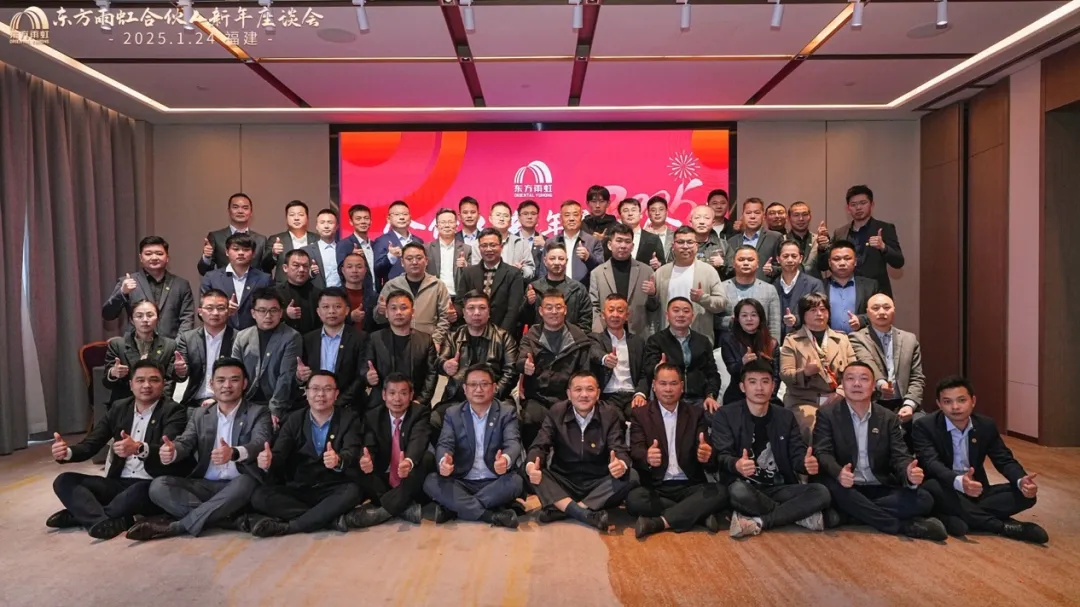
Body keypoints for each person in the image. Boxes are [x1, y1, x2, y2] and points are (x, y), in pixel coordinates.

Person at [127, 357, 273, 541]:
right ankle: (229, 520)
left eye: (234, 380)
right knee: (158, 486)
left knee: (246, 482)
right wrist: (173, 451)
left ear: (244, 384)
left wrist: (234, 453)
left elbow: (260, 442)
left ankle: (177, 526)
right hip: (205, 484)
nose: (227, 385)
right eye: (221, 380)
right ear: (211, 384)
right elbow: (185, 442)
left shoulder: (258, 412)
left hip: (239, 483)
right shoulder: (200, 414)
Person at [47, 361, 188, 539]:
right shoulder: (119, 408)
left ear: (163, 384)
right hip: (118, 482)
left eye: (154, 380)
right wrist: (67, 452)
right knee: (64, 481)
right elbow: (91, 444)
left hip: (151, 483)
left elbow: (166, 452)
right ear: (131, 384)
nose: (146, 385)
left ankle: (81, 515)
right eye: (140, 380)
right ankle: (105, 520)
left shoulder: (174, 411)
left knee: (136, 493)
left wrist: (138, 448)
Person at [812, 362, 946, 541]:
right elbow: (822, 452)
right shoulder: (827, 414)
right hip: (844, 486)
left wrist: (908, 471)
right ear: (842, 384)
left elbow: (900, 455)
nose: (857, 384)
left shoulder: (888, 418)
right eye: (850, 379)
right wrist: (838, 473)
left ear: (873, 385)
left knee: (924, 499)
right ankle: (901, 526)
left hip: (877, 486)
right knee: (828, 490)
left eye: (863, 379)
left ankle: (850, 515)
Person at [913, 376, 1046, 543]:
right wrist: (959, 482)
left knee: (1026, 495)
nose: (955, 407)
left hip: (975, 489)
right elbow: (931, 463)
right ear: (939, 404)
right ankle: (1001, 527)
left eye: (961, 400)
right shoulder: (924, 426)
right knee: (932, 486)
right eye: (947, 402)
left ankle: (951, 517)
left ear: (973, 401)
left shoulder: (985, 425)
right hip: (944, 487)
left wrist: (1021, 481)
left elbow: (1003, 459)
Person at [713, 361, 831, 538]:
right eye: (752, 382)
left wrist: (805, 464)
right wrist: (736, 464)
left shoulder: (785, 416)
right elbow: (721, 455)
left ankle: (759, 521)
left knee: (821, 492)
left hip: (779, 487)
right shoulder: (726, 415)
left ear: (773, 386)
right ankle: (796, 515)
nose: (759, 388)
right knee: (738, 491)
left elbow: (797, 454)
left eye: (765, 381)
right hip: (746, 487)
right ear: (742, 387)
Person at [247, 371, 364, 536]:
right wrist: (268, 461)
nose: (321, 394)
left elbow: (351, 451)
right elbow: (279, 455)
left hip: (333, 486)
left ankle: (292, 527)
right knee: (260, 496)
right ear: (306, 393)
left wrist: (338, 460)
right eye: (315, 389)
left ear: (336, 394)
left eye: (327, 389)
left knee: (353, 491)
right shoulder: (294, 419)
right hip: (301, 488)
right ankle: (328, 518)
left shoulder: (348, 418)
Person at [525, 372, 636, 531]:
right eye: (578, 390)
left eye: (590, 389)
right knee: (529, 469)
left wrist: (620, 464)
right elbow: (540, 444)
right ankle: (585, 514)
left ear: (598, 393)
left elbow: (619, 448)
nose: (584, 395)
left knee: (632, 475)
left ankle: (565, 509)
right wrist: (532, 466)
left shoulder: (609, 413)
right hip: (564, 480)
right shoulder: (557, 411)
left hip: (597, 482)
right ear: (569, 394)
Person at [627, 363, 725, 538]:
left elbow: (709, 455)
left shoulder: (695, 414)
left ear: (682, 387)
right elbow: (636, 451)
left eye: (673, 384)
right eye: (663, 384)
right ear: (654, 386)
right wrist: (647, 457)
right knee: (634, 500)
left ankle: (658, 523)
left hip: (690, 484)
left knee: (720, 492)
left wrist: (707, 455)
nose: (668, 389)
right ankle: (698, 513)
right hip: (657, 486)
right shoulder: (640, 414)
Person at [424, 364, 523, 528]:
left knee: (516, 482)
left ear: (494, 387)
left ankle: (455, 508)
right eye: (473, 384)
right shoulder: (453, 413)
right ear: (465, 388)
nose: (478, 389)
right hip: (462, 480)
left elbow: (513, 442)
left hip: (494, 480)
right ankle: (491, 515)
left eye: (484, 384)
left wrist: (505, 460)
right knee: (431, 481)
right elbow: (445, 443)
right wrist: (443, 461)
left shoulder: (506, 412)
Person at [350, 374, 435, 527]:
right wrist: (367, 460)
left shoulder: (420, 412)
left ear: (411, 395)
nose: (397, 399)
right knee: (355, 466)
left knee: (427, 459)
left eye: (403, 393)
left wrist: (408, 461)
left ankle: (384, 512)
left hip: (409, 476)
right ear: (384, 395)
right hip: (385, 477)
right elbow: (370, 446)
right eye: (392, 393)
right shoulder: (372, 416)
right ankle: (404, 508)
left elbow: (419, 439)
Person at [517, 289, 593, 449]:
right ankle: (533, 459)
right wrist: (525, 365)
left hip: (568, 399)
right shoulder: (532, 335)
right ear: (541, 311)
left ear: (565, 309)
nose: (554, 312)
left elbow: (584, 373)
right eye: (549, 307)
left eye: (558, 307)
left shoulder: (578, 338)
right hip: (538, 398)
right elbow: (521, 358)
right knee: (530, 419)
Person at [434, 290, 518, 430]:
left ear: (489, 312)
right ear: (464, 313)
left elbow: (511, 372)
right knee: (434, 420)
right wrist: (445, 365)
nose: (477, 313)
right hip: (457, 398)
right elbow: (439, 361)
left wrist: (491, 394)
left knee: (513, 419)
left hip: (495, 398)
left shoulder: (504, 338)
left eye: (482, 308)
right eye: (471, 308)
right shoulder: (453, 336)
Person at [849, 294, 925, 446]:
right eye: (876, 308)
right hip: (874, 401)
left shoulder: (909, 339)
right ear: (868, 313)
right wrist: (880, 383)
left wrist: (909, 404)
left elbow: (917, 377)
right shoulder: (857, 338)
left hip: (903, 401)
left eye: (886, 307)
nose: (882, 312)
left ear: (894, 310)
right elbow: (867, 362)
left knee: (924, 425)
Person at [779, 292, 856, 441]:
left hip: (839, 399)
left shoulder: (842, 339)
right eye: (813, 310)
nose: (819, 314)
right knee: (815, 429)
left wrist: (841, 392)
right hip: (804, 400)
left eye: (823, 309)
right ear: (803, 314)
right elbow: (785, 374)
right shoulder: (792, 340)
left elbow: (854, 371)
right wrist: (805, 372)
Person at [231, 287, 302, 426]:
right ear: (253, 313)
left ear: (281, 313)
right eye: (262, 310)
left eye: (273, 310)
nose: (268, 316)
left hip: (279, 403)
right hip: (247, 401)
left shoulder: (292, 337)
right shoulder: (242, 337)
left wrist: (275, 411)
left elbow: (286, 378)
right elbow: (234, 373)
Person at [102, 236, 194, 339]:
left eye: (159, 253)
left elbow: (187, 319)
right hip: (136, 345)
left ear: (167, 258)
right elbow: (108, 315)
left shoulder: (181, 285)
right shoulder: (127, 282)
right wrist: (122, 293)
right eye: (148, 254)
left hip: (171, 344)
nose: (154, 258)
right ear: (141, 258)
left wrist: (178, 345)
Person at [642, 298, 722, 415]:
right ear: (667, 315)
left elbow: (712, 374)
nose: (681, 315)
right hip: (667, 399)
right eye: (676, 310)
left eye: (686, 311)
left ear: (692, 316)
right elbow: (648, 369)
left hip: (698, 399)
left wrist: (710, 395)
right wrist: (658, 368)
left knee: (715, 416)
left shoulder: (703, 341)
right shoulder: (656, 340)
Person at [821, 185, 904, 297]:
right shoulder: (840, 232)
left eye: (863, 203)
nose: (858, 208)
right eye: (853, 205)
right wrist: (822, 247)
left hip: (876, 293)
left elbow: (898, 262)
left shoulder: (885, 228)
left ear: (872, 204)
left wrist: (883, 247)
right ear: (848, 208)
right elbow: (824, 266)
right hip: (846, 292)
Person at [296, 288, 371, 412]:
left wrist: (338, 402)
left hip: (348, 406)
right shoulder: (308, 339)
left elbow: (360, 377)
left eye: (337, 306)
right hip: (314, 404)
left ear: (347, 310)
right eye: (326, 307)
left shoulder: (360, 338)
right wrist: (300, 377)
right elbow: (301, 375)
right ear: (318, 311)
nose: (331, 311)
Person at [366, 291, 439, 411]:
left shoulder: (425, 340)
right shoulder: (374, 338)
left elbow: (431, 374)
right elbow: (365, 366)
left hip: (416, 404)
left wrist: (421, 401)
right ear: (386, 313)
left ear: (413, 312)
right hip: (381, 405)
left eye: (403, 308)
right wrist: (367, 376)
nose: (398, 312)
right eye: (393, 308)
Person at [654, 226, 726, 345]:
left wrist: (703, 298)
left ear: (696, 246)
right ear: (673, 246)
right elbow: (653, 307)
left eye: (690, 242)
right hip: (667, 339)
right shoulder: (661, 272)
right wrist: (651, 294)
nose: (685, 246)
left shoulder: (708, 271)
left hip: (699, 338)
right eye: (680, 242)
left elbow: (721, 304)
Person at [375, 242, 453, 348]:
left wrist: (435, 341)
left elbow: (445, 317)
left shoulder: (438, 285)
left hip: (430, 343)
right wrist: (380, 311)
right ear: (402, 262)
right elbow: (378, 319)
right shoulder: (392, 285)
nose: (414, 262)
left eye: (419, 258)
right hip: (397, 344)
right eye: (409, 258)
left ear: (426, 261)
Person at [589, 223, 660, 338]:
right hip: (607, 335)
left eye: (627, 242)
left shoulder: (646, 271)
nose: (623, 245)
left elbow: (654, 308)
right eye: (619, 241)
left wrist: (652, 294)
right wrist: (598, 334)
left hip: (638, 335)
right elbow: (594, 307)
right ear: (609, 245)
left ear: (632, 246)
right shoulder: (597, 273)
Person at [103, 300, 177, 407]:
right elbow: (107, 383)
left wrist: (157, 404)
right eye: (139, 316)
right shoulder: (117, 345)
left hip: (158, 405)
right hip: (124, 405)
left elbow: (169, 382)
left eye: (150, 315)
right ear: (131, 320)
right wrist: (113, 373)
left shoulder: (169, 345)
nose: (145, 320)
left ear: (157, 319)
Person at [200, 232, 275, 331]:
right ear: (227, 252)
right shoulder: (211, 278)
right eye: (236, 249)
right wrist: (223, 307)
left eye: (246, 249)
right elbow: (201, 311)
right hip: (221, 332)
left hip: (255, 334)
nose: (241, 253)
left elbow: (272, 309)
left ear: (253, 253)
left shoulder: (264, 279)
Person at [590, 294, 649, 419]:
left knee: (643, 415)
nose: (615, 315)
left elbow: (644, 373)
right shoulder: (596, 339)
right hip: (607, 396)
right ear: (603, 315)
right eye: (611, 310)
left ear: (627, 316)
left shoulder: (638, 342)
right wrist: (605, 358)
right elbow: (594, 352)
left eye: (620, 311)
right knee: (613, 417)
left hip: (632, 394)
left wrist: (640, 393)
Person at [174, 289, 236, 408]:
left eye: (221, 308)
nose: (215, 313)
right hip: (194, 402)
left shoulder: (239, 338)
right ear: (200, 312)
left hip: (228, 401)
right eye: (209, 308)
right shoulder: (188, 338)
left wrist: (215, 399)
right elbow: (181, 377)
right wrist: (181, 371)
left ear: (228, 311)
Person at [458, 228, 526, 334]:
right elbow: (460, 302)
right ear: (479, 248)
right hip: (472, 332)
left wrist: (501, 334)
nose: (488, 249)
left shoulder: (513, 273)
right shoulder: (468, 273)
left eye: (493, 245)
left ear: (501, 247)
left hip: (503, 333)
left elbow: (514, 309)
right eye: (484, 245)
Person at [719, 299, 780, 405]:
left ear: (760, 317)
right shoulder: (728, 340)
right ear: (737, 318)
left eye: (753, 315)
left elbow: (776, 376)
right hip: (738, 395)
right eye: (744, 315)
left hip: (766, 396)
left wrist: (769, 395)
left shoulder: (771, 342)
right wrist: (743, 362)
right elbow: (732, 370)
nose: (749, 319)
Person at [526, 242, 592, 334]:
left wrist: (572, 339)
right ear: (545, 261)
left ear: (566, 261)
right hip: (540, 340)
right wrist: (528, 304)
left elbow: (586, 322)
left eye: (561, 259)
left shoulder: (578, 289)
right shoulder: (534, 288)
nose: (557, 262)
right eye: (552, 258)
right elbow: (524, 321)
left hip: (571, 340)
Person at [718, 246, 782, 340]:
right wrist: (731, 321)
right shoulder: (721, 288)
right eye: (741, 259)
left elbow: (774, 324)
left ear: (757, 264)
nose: (746, 263)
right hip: (729, 343)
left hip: (760, 343)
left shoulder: (769, 289)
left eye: (750, 260)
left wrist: (774, 345)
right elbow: (712, 320)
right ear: (734, 263)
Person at [198, 193, 267, 276]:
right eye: (235, 207)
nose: (240, 211)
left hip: (254, 283)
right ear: (229, 211)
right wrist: (206, 257)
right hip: (224, 283)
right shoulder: (216, 237)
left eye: (245, 208)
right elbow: (204, 271)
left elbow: (266, 270)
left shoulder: (261, 240)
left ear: (251, 212)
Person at [426, 208, 474, 319]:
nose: (447, 225)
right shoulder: (426, 249)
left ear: (456, 226)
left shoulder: (467, 249)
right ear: (437, 226)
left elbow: (475, 275)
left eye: (450, 222)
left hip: (458, 299)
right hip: (433, 298)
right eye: (443, 222)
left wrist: (466, 266)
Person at [824, 240, 881, 334]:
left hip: (861, 339)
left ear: (855, 261)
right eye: (837, 259)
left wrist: (861, 320)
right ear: (829, 263)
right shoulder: (819, 285)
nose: (842, 263)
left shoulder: (870, 286)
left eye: (847, 258)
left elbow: (879, 311)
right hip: (829, 339)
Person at [774, 239, 825, 343]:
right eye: (785, 256)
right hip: (778, 342)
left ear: (800, 258)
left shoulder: (814, 284)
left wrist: (796, 320)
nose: (790, 260)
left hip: (807, 341)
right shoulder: (771, 286)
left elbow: (820, 313)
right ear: (778, 259)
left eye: (794, 256)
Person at [727, 197, 783, 282]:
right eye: (748, 213)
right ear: (742, 216)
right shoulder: (732, 241)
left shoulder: (775, 238)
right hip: (738, 287)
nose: (752, 216)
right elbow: (729, 269)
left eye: (757, 213)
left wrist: (773, 269)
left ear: (763, 216)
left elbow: (786, 265)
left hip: (767, 287)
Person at [550, 200, 604, 287]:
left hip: (584, 291)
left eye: (575, 215)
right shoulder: (552, 242)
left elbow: (601, 271)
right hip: (556, 291)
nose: (571, 219)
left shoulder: (593, 242)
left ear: (581, 217)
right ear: (561, 218)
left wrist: (588, 258)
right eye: (567, 215)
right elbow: (543, 272)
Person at [373, 200, 424, 289]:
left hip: (418, 289)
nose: (401, 217)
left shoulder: (418, 241)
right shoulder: (382, 241)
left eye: (405, 214)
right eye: (397, 214)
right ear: (388, 219)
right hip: (393, 290)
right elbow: (378, 271)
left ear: (410, 218)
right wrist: (391, 257)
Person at [264, 200, 317, 282]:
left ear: (307, 218)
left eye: (301, 215)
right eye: (292, 215)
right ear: (286, 218)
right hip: (283, 287)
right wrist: (273, 254)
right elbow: (265, 267)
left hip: (312, 286)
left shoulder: (317, 239)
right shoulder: (276, 239)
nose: (296, 218)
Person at [277, 249, 322, 336]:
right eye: (296, 265)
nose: (301, 269)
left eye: (305, 266)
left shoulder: (318, 294)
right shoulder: (275, 293)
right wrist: (285, 314)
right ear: (285, 268)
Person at [488, 201, 536, 280]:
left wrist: (521, 271)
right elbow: (475, 269)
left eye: (505, 216)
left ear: (510, 221)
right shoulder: (479, 243)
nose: (501, 219)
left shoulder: (521, 243)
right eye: (498, 215)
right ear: (490, 218)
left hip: (514, 286)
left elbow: (531, 270)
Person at [335, 204, 376, 292]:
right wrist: (351, 257)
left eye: (366, 218)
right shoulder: (344, 244)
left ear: (371, 221)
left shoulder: (375, 244)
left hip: (376, 292)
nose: (363, 221)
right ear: (351, 222)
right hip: (356, 292)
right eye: (358, 219)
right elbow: (341, 271)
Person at [616, 197, 665, 269]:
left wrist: (658, 264)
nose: (630, 214)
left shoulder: (654, 239)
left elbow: (663, 264)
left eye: (633, 210)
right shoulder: (614, 238)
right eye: (626, 211)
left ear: (640, 215)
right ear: (620, 216)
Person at [302, 208, 342, 289]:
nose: (326, 226)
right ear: (317, 226)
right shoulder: (306, 251)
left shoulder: (344, 249)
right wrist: (310, 273)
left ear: (337, 226)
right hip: (316, 294)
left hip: (341, 294)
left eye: (330, 222)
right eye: (322, 222)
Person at [341, 251, 377, 333]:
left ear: (365, 270)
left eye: (359, 267)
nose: (354, 270)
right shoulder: (335, 296)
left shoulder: (374, 297)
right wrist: (350, 318)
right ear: (343, 270)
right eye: (349, 267)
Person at [783, 201, 821, 277]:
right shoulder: (781, 240)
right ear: (788, 218)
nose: (801, 219)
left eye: (805, 214)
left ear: (810, 217)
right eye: (796, 215)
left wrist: (824, 249)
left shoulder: (818, 240)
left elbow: (825, 266)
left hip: (814, 283)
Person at [514, 199, 546, 272]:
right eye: (525, 214)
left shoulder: (546, 241)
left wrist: (544, 247)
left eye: (533, 214)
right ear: (519, 218)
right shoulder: (511, 240)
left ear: (538, 217)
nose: (529, 217)